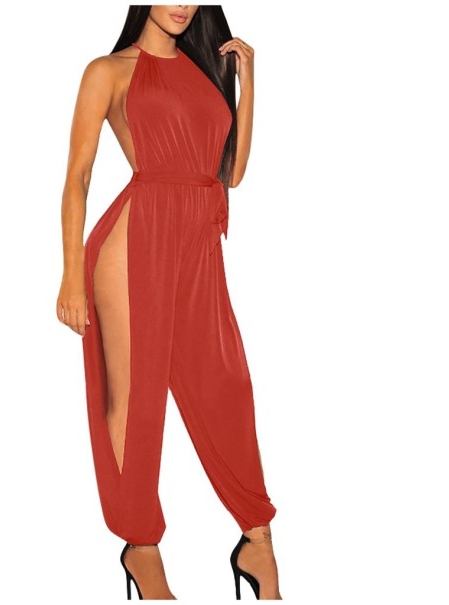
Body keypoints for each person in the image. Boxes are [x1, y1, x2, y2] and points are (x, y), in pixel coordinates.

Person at [57, 5, 282, 600]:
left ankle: (257, 538)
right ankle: (140, 545)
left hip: (198, 245)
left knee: (227, 385)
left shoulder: (206, 70)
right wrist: (71, 276)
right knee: (137, 402)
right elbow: (78, 176)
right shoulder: (108, 71)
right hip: (136, 240)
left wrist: (247, 84)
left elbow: (230, 173)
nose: (183, 4)